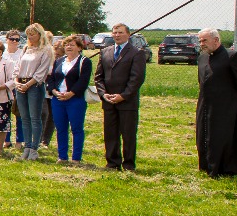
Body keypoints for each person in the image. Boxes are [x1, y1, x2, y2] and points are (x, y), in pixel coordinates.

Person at [195, 27, 237, 176]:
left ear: (216, 40)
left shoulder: (231, 57)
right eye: (200, 41)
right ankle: (207, 165)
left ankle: (224, 168)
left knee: (221, 137)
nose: (202, 44)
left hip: (226, 107)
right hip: (205, 105)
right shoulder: (202, 58)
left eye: (204, 40)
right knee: (203, 135)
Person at [96, 21, 148, 172]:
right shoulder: (105, 51)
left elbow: (137, 78)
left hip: (127, 101)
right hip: (109, 100)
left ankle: (129, 164)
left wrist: (123, 95)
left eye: (120, 32)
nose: (117, 35)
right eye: (114, 32)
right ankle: (112, 162)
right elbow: (99, 77)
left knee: (128, 134)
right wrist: (103, 94)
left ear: (128, 34)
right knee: (110, 133)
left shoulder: (136, 53)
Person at [47, 33, 93, 164]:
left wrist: (71, 93)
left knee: (76, 128)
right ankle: (62, 156)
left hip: (75, 100)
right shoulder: (59, 61)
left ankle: (76, 158)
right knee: (61, 128)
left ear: (79, 47)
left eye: (72, 45)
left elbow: (83, 81)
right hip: (58, 100)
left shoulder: (84, 62)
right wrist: (54, 91)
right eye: (66, 45)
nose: (68, 47)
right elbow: (51, 79)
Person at [11, 24, 54, 161]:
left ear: (40, 35)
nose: (30, 37)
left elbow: (42, 71)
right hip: (21, 83)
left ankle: (34, 148)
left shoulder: (46, 50)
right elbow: (18, 67)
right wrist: (17, 82)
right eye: (28, 34)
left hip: (35, 85)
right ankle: (27, 146)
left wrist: (28, 84)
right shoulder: (26, 49)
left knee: (35, 117)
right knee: (24, 118)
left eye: (33, 34)